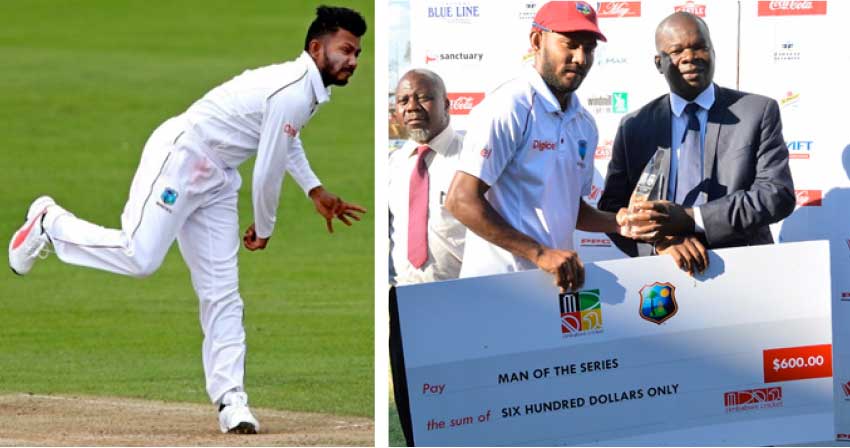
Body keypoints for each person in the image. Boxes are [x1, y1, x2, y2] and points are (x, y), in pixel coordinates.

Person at [8, 6, 368, 434]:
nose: (353, 61)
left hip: (217, 179)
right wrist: (265, 226)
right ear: (316, 47)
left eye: (357, 53)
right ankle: (51, 222)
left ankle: (232, 400)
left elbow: (282, 142)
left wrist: (314, 189)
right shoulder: (291, 89)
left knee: (223, 293)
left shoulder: (306, 90)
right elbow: (268, 169)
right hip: (183, 157)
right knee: (139, 257)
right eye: (346, 50)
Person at [445, 0, 626, 292]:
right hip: (499, 288)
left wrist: (620, 222)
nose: (580, 58)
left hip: (555, 286)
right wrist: (539, 254)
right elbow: (460, 200)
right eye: (569, 44)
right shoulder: (510, 105)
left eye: (589, 48)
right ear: (536, 40)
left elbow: (572, 209)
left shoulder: (584, 123)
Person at [598, 11, 795, 274]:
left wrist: (693, 219)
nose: (690, 57)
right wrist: (661, 246)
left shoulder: (757, 112)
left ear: (713, 52)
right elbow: (613, 211)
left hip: (744, 273)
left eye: (700, 47)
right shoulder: (634, 125)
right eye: (677, 51)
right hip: (663, 275)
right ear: (659, 63)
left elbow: (776, 194)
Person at [388, 69, 465, 285]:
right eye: (403, 100)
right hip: (405, 294)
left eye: (423, 98)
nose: (412, 107)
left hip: (465, 291)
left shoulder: (471, 158)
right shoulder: (395, 163)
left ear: (447, 105)